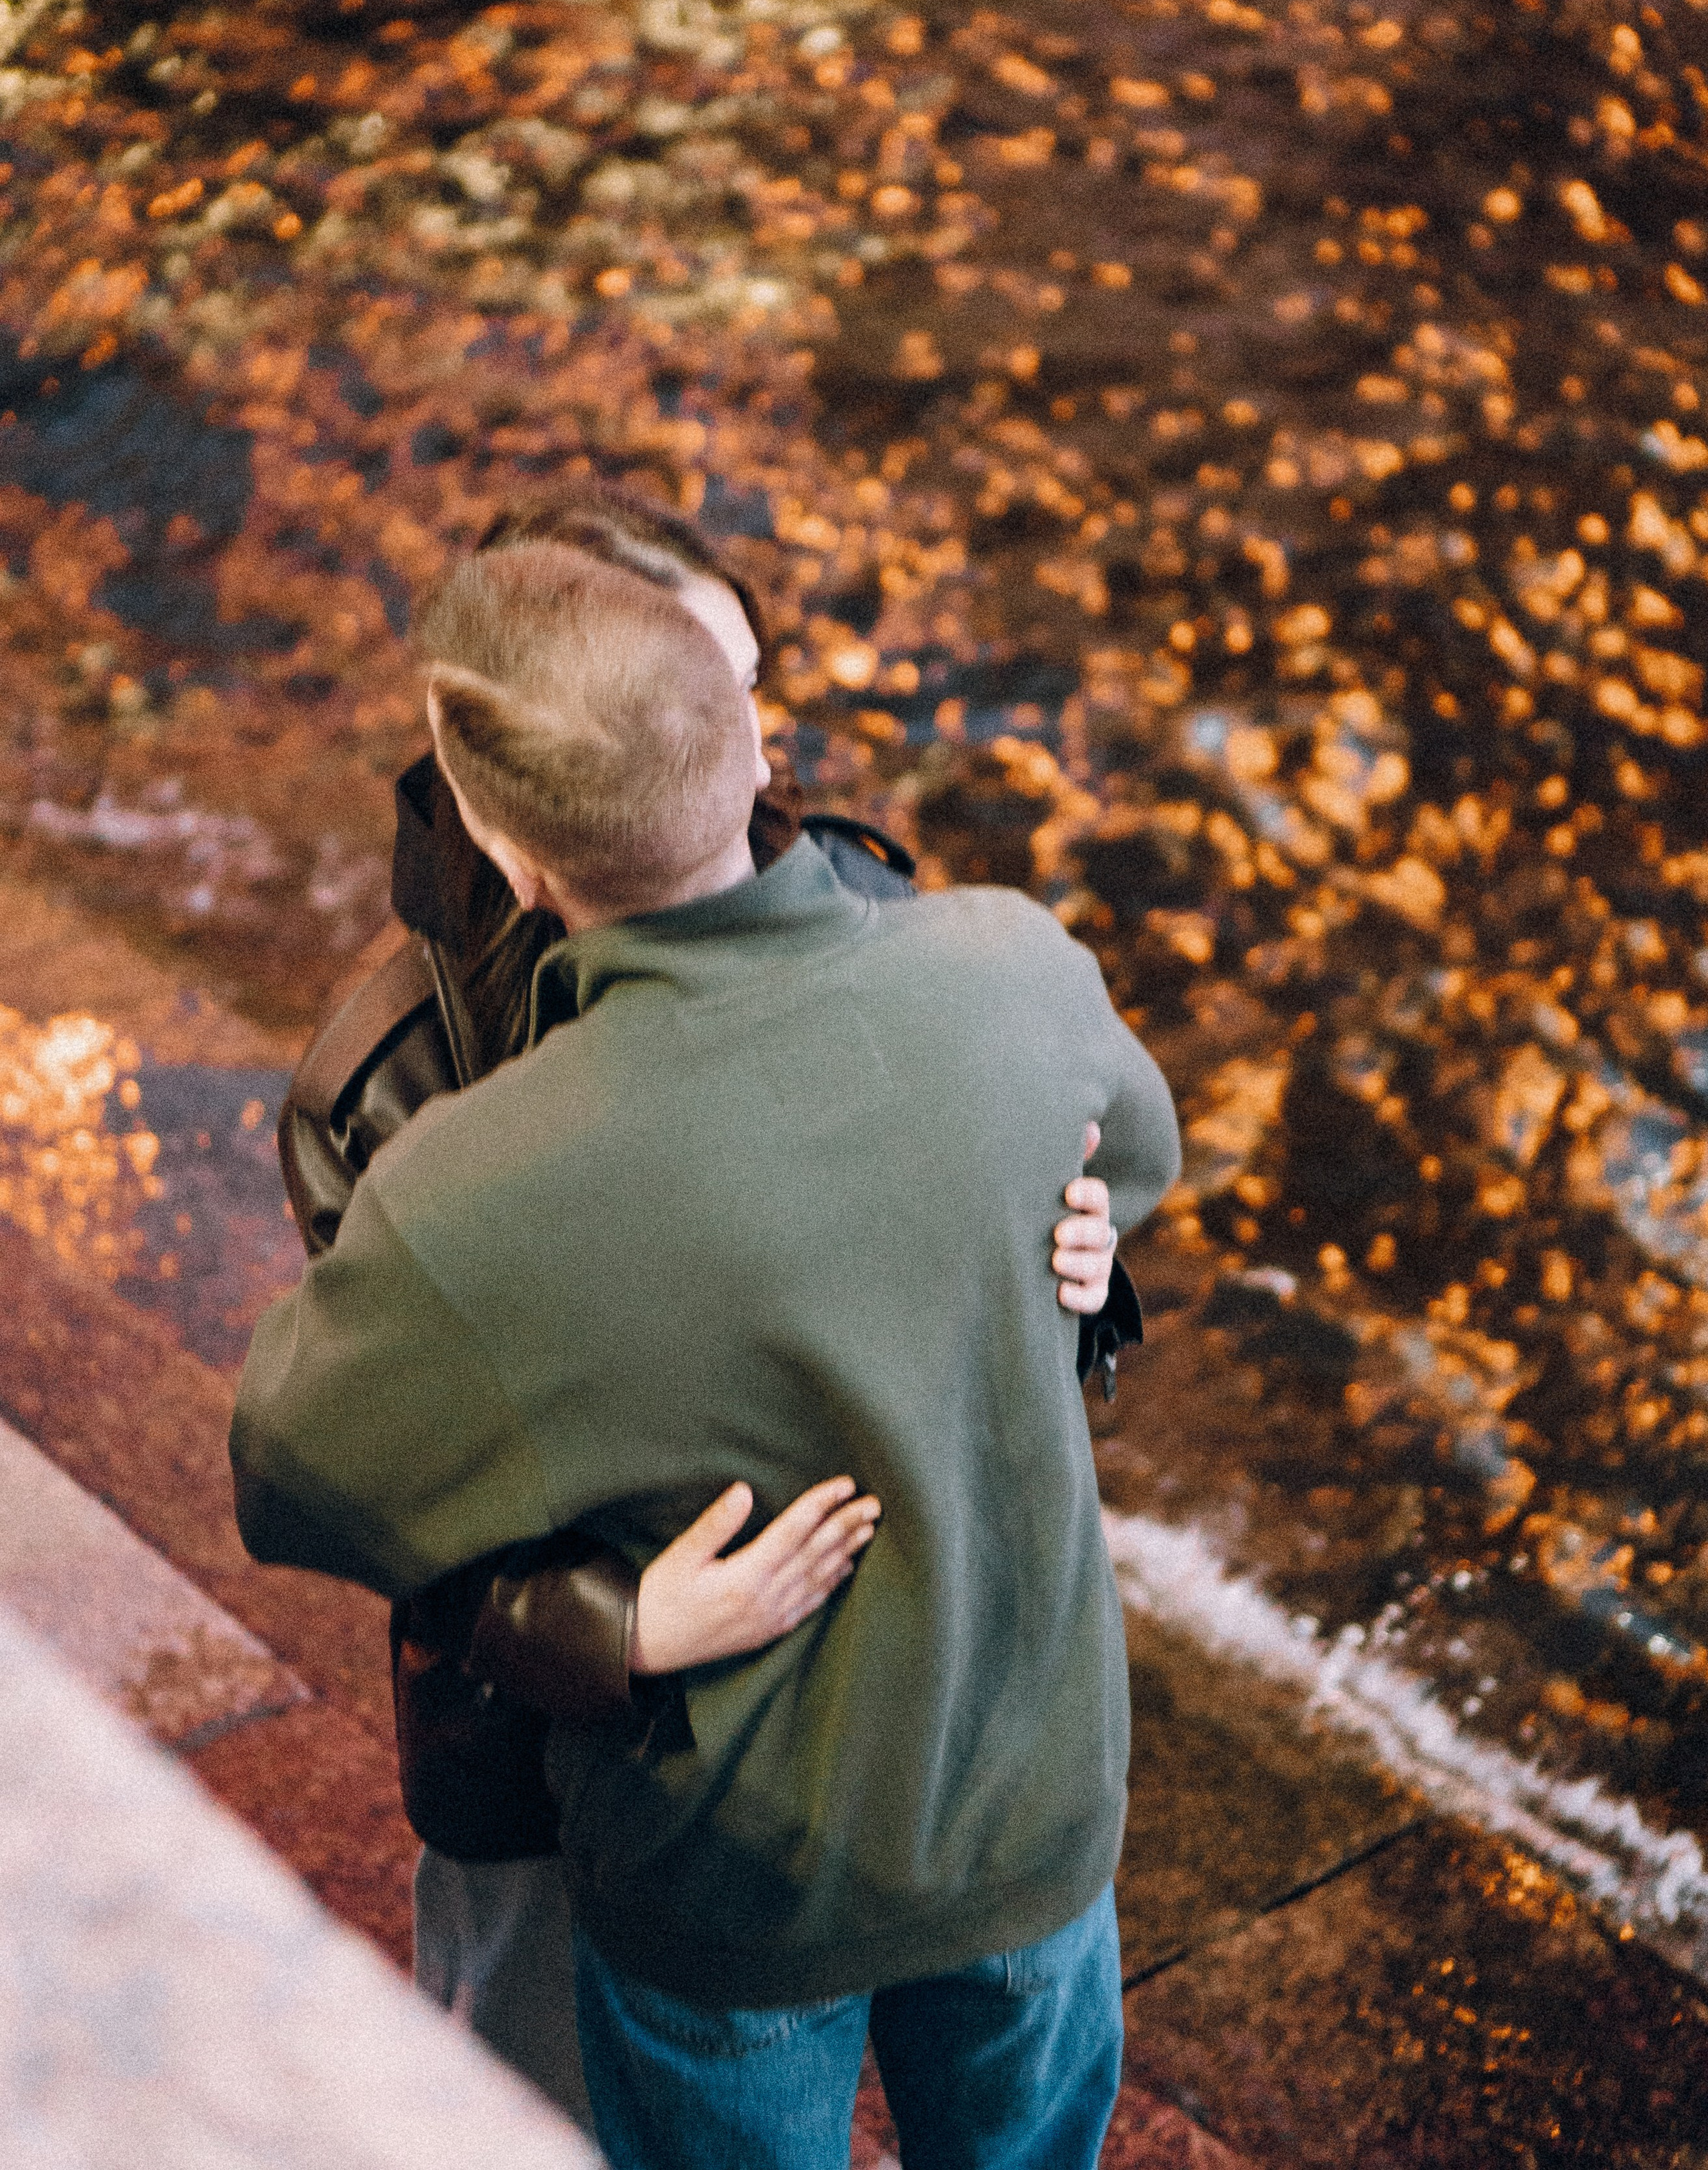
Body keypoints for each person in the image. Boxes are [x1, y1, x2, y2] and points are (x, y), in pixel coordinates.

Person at [234, 534, 1179, 2170]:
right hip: (1028, 1811)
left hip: (734, 1863)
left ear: (507, 848)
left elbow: (294, 1474)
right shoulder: (1014, 960)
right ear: (748, 746)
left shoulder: (471, 1181)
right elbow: (1133, 1152)